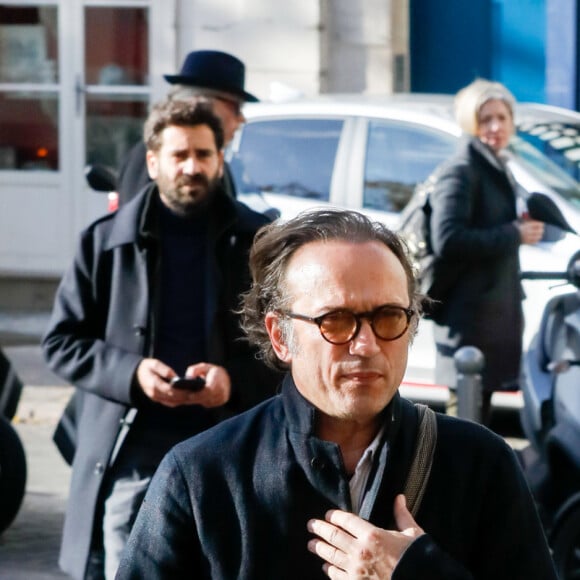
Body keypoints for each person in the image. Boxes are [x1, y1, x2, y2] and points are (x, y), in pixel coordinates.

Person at [116, 209, 556, 579]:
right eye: (336, 321)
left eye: (388, 316)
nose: (365, 345)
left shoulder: (479, 464)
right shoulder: (202, 475)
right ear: (280, 336)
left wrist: (419, 572)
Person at [42, 98, 279, 580]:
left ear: (219, 159)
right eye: (179, 155)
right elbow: (61, 342)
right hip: (134, 446)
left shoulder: (258, 242)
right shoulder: (105, 241)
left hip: (231, 442)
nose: (192, 166)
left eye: (204, 154)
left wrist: (231, 381)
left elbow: (289, 347)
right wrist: (132, 374)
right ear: (153, 162)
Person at [428, 79, 545, 423]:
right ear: (470, 123)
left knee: (481, 420)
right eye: (485, 119)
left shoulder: (495, 165)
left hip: (491, 315)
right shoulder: (462, 169)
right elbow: (447, 238)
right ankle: (456, 479)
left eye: (502, 117)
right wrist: (513, 233)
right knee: (465, 418)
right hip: (468, 318)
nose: (495, 127)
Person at [116, 49, 257, 205]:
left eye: (204, 155)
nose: (242, 119)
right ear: (202, 104)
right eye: (236, 107)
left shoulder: (220, 162)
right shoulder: (153, 156)